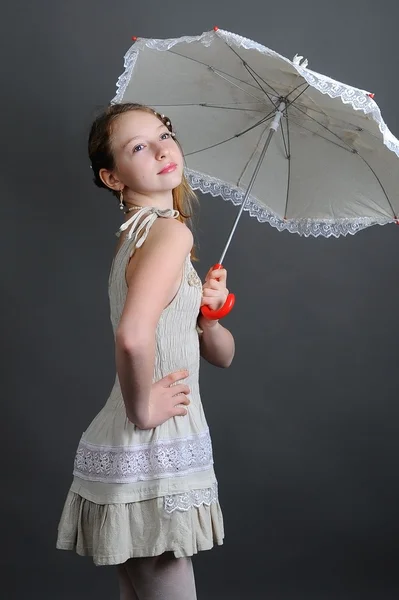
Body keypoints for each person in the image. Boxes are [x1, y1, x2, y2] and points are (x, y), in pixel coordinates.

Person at [56, 102, 235, 600]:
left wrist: (210, 315)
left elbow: (221, 356)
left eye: (164, 134)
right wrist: (144, 406)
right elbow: (133, 335)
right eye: (139, 146)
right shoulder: (169, 233)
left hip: (136, 444)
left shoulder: (143, 236)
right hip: (153, 444)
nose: (162, 149)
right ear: (113, 179)